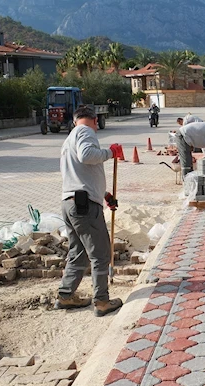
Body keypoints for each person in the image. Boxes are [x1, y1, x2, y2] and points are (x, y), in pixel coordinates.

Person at [56, 105, 124, 317]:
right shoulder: (85, 132)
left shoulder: (69, 140)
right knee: (101, 254)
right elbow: (87, 156)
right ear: (94, 120)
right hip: (84, 206)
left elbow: (83, 173)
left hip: (71, 203)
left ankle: (66, 295)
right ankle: (102, 301)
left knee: (78, 253)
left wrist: (104, 196)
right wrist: (109, 152)